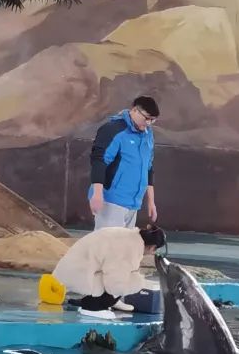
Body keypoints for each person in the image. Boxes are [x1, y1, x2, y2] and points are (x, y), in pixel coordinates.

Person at [53, 225, 167, 320]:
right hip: (75, 275)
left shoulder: (130, 237)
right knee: (133, 281)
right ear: (152, 247)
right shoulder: (130, 248)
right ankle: (92, 307)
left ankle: (99, 302)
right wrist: (136, 284)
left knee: (122, 276)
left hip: (72, 271)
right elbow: (115, 284)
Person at [89, 96, 159, 231]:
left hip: (133, 203)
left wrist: (151, 202)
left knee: (124, 243)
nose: (149, 123)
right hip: (111, 201)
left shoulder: (147, 134)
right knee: (108, 243)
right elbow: (99, 160)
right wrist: (97, 194)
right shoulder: (113, 130)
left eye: (153, 120)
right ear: (135, 110)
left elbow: (148, 168)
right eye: (147, 118)